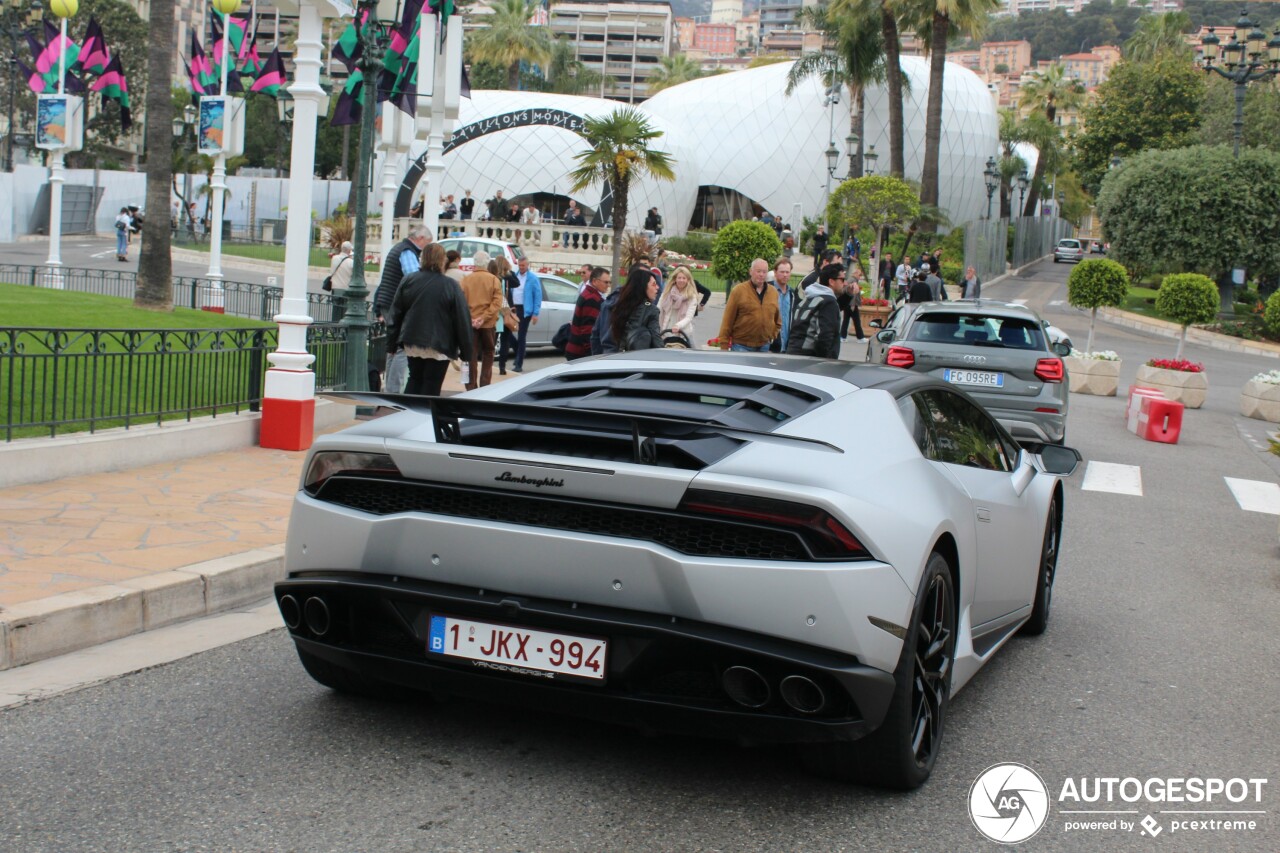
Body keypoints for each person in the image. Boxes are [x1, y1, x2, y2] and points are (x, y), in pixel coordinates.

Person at [386, 243, 474, 396]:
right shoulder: (450, 285)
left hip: (412, 340)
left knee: (414, 378)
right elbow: (462, 319)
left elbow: (396, 313)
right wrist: (467, 351)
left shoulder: (408, 280)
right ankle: (424, 416)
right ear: (442, 260)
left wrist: (392, 344)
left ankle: (408, 415)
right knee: (432, 383)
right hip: (440, 344)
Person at [373, 225, 432, 394]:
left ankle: (391, 390)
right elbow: (413, 279)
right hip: (395, 304)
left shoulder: (398, 248)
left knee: (393, 347)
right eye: (427, 242)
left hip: (388, 302)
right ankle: (394, 392)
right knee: (401, 348)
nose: (426, 247)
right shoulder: (407, 251)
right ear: (420, 238)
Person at [459, 249, 503, 389]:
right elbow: (496, 304)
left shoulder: (466, 280)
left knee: (470, 355)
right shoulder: (494, 280)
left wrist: (472, 319)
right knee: (488, 353)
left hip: (470, 324)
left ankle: (470, 386)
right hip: (488, 324)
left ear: (474, 263)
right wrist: (483, 318)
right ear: (487, 263)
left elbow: (461, 303)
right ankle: (485, 384)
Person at [718, 258, 781, 352]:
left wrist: (772, 334)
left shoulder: (773, 292)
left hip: (764, 346)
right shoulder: (738, 291)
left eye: (764, 272)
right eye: (758, 271)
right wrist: (724, 346)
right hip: (741, 346)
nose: (761, 274)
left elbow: (778, 320)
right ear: (750, 271)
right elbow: (727, 321)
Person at [787, 263, 846, 359]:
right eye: (842, 279)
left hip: (793, 353)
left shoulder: (809, 297)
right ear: (831, 281)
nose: (845, 283)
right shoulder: (828, 302)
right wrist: (825, 360)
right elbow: (824, 337)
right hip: (810, 360)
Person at [611, 267, 663, 351]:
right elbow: (657, 342)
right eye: (653, 284)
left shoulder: (620, 307)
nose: (657, 287)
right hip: (643, 359)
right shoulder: (651, 310)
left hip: (621, 357)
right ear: (642, 287)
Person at [565, 266, 611, 360]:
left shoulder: (590, 294)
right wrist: (592, 354)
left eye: (609, 282)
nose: (608, 285)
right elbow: (587, 329)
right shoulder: (592, 299)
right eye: (606, 282)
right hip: (581, 353)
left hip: (577, 350)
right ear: (595, 281)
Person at [658, 265, 700, 349]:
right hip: (666, 329)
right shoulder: (666, 293)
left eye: (684, 278)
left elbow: (689, 317)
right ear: (675, 279)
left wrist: (678, 325)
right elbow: (658, 309)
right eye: (679, 278)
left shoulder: (691, 297)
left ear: (688, 280)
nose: (681, 280)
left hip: (683, 331)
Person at [512, 256, 542, 373]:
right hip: (514, 308)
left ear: (527, 265)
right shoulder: (515, 275)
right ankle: (519, 351)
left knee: (521, 335)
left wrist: (535, 313)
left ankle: (519, 363)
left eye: (523, 265)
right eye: (520, 265)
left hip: (525, 310)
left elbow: (537, 296)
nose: (521, 267)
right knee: (507, 332)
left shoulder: (532, 279)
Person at [768, 258, 795, 353]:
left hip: (787, 347)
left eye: (787, 272)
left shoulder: (792, 294)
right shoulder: (767, 290)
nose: (785, 275)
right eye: (782, 272)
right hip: (770, 346)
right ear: (775, 272)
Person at [839, 264, 866, 341]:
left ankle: (843, 336)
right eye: (859, 274)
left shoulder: (851, 280)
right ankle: (860, 337)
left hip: (849, 303)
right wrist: (853, 304)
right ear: (855, 273)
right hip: (851, 304)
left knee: (847, 320)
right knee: (856, 321)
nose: (860, 276)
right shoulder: (853, 280)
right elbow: (852, 293)